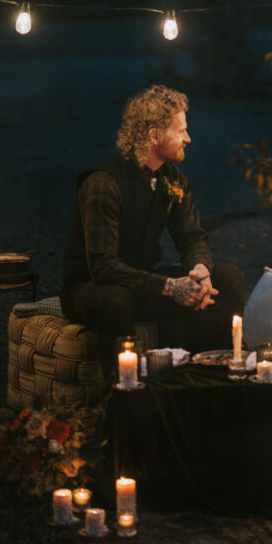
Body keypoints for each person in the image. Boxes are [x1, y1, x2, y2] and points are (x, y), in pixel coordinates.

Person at [61, 85, 245, 376]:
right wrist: (171, 287)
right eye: (180, 131)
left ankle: (208, 374)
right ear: (154, 135)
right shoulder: (103, 182)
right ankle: (123, 395)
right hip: (92, 288)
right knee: (118, 300)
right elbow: (103, 267)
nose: (188, 138)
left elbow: (192, 237)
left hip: (142, 283)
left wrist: (200, 269)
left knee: (229, 278)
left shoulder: (172, 179)